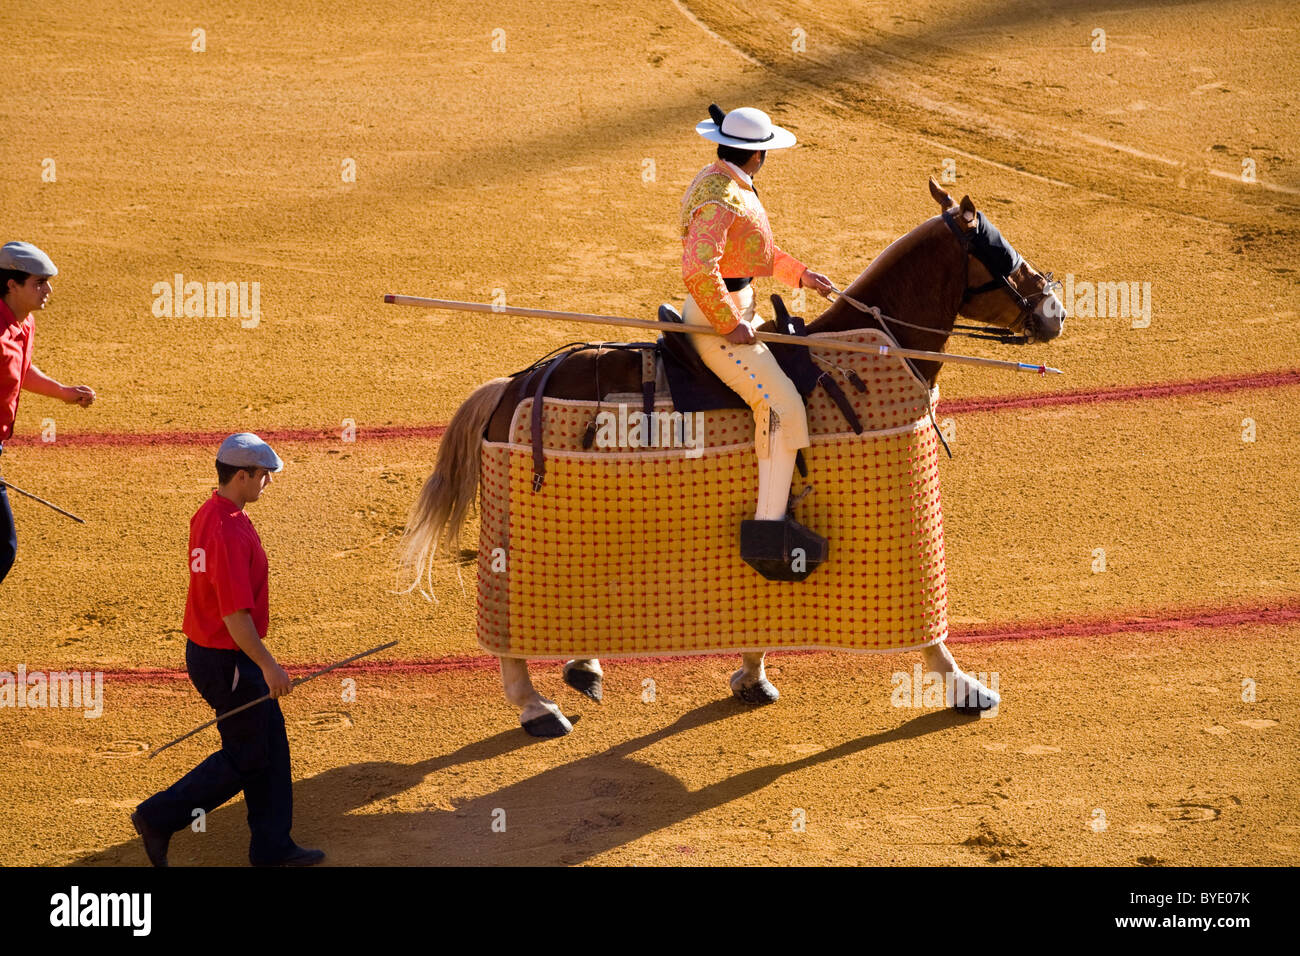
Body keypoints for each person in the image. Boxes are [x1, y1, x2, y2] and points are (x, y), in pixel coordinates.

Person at [132, 433, 325, 867]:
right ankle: (158, 816)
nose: (267, 484)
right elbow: (236, 617)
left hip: (212, 653)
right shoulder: (230, 529)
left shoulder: (211, 512)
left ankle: (272, 845)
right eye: (263, 476)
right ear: (242, 475)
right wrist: (269, 666)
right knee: (248, 755)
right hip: (229, 659)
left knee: (269, 745)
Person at [680, 104, 835, 579]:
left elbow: (754, 253)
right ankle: (770, 531)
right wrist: (727, 323)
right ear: (756, 156)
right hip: (715, 321)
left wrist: (802, 275)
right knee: (783, 406)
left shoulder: (723, 181)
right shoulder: (721, 196)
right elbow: (697, 268)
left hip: (739, 305)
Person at [0, 241, 96, 585]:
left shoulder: (23, 324)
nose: (48, 290)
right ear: (12, 284)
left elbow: (20, 370)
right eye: (39, 282)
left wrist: (62, 393)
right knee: (2, 547)